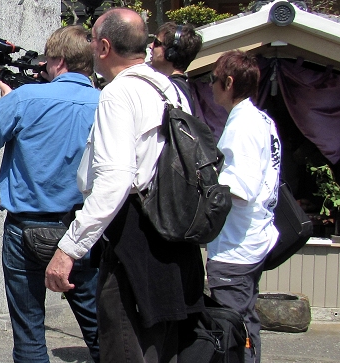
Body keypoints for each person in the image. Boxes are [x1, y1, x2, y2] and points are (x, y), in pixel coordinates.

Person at [44, 8, 205, 362]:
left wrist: (68, 248)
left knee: (125, 345)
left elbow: (115, 180)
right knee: (162, 348)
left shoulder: (119, 94)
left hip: (135, 235)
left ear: (104, 47)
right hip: (174, 232)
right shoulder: (168, 87)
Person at [0, 26, 101, 363]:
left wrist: (7, 102)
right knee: (101, 328)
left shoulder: (24, 98)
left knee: (30, 332)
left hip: (24, 228)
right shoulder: (107, 102)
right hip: (83, 228)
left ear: (57, 61)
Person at [207, 50, 280, 363]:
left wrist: (204, 182)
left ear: (229, 82)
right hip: (254, 238)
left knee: (232, 330)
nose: (210, 86)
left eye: (213, 80)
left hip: (236, 248)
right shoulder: (261, 118)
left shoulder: (244, 125)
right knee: (246, 323)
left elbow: (242, 187)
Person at [149, 22, 203, 112]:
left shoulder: (168, 91)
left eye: (156, 43)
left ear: (171, 53)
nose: (151, 46)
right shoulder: (184, 90)